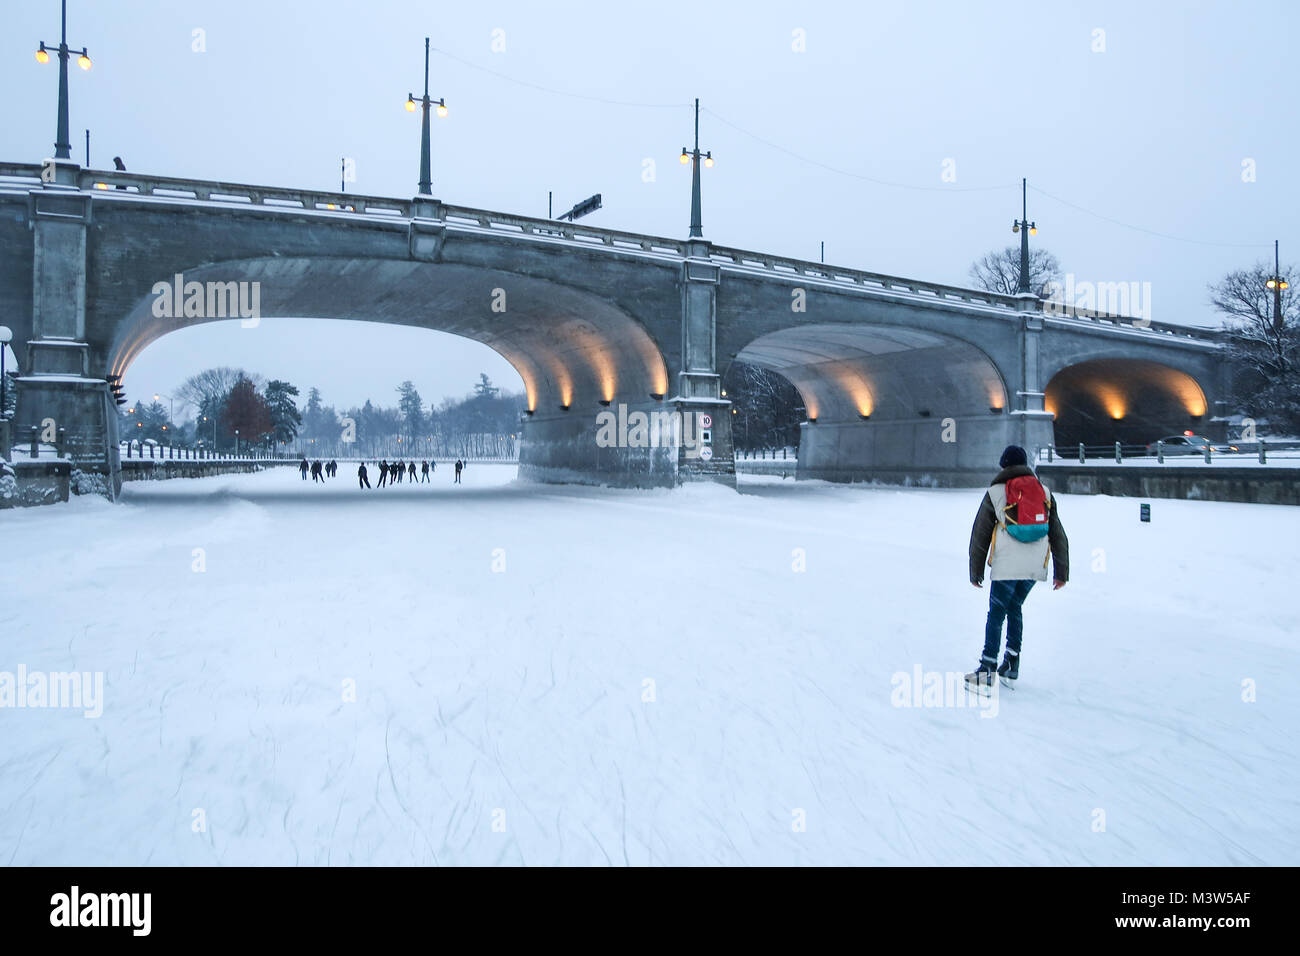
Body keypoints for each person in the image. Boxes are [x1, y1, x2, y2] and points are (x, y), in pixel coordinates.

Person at [966, 445, 1069, 690]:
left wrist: (976, 571)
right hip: (1035, 564)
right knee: (1015, 607)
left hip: (1007, 564)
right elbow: (1058, 532)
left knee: (997, 612)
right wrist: (1061, 571)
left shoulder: (995, 492)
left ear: (1004, 466)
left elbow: (980, 533)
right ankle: (1011, 663)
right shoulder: (1044, 491)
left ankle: (987, 667)